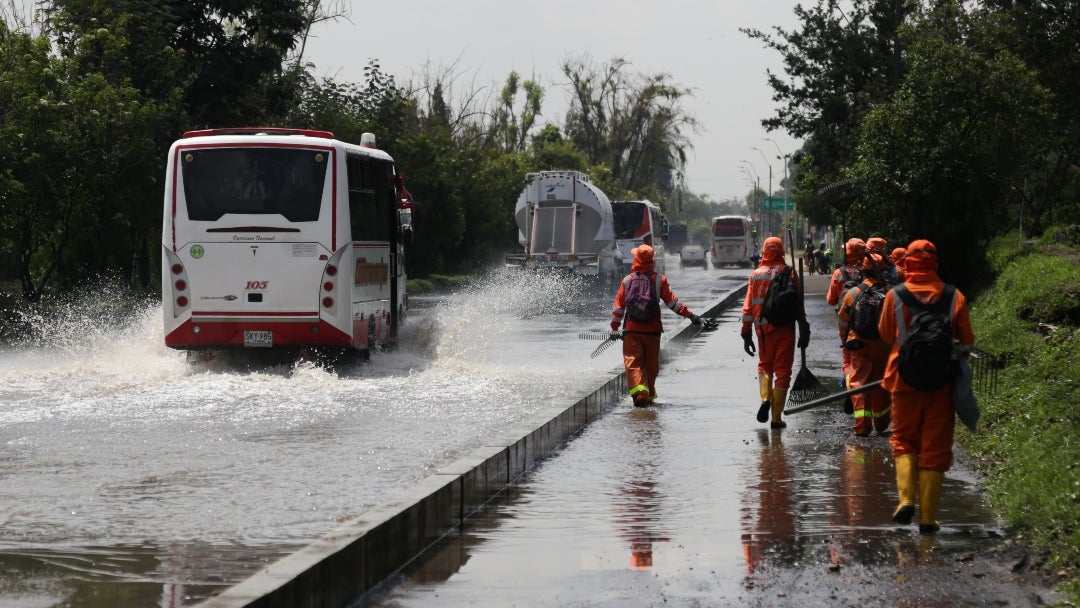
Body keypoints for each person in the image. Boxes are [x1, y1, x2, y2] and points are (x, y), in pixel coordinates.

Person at [877, 239, 975, 534]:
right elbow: (967, 342)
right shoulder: (954, 296)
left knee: (904, 440)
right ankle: (928, 518)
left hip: (903, 379)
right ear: (935, 263)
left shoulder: (895, 296)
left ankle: (906, 500)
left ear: (907, 263)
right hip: (941, 384)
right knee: (935, 447)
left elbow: (884, 334)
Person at [610, 244, 704, 407]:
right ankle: (649, 393)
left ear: (636, 259)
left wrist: (614, 328)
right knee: (651, 365)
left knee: (633, 363)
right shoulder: (660, 280)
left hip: (632, 330)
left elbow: (618, 308)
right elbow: (673, 303)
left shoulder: (627, 281)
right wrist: (690, 315)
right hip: (653, 331)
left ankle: (640, 395)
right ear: (651, 260)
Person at [740, 236, 810, 428]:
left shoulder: (756, 275)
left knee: (765, 366)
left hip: (762, 329)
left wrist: (746, 333)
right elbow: (798, 305)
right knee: (783, 372)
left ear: (764, 251)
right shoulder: (790, 273)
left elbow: (747, 308)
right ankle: (776, 418)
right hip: (786, 328)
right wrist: (804, 327)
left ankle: (765, 399)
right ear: (781, 251)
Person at [836, 252, 892, 436]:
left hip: (858, 344)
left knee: (859, 383)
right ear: (882, 270)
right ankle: (882, 423)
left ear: (863, 271)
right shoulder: (889, 294)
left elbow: (843, 321)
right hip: (883, 346)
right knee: (882, 384)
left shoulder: (852, 293)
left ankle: (862, 425)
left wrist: (845, 341)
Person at [827, 238, 866, 390]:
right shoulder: (868, 271)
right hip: (865, 321)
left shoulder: (838, 273)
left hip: (845, 323)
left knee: (847, 360)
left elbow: (831, 300)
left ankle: (850, 390)